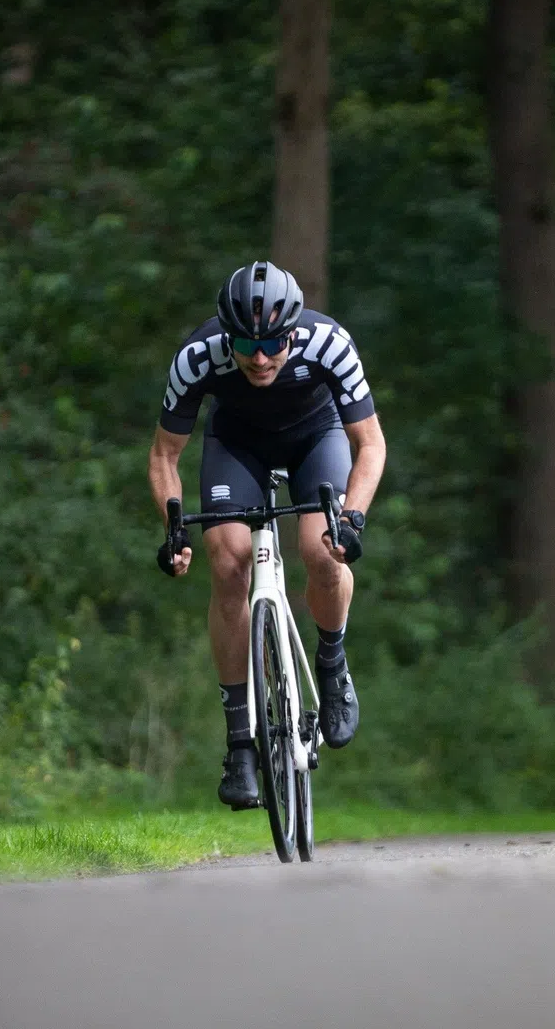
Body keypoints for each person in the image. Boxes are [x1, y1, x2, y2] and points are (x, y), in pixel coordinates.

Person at [148, 261, 387, 810]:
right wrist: (174, 525)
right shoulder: (197, 357)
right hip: (238, 446)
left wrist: (352, 518)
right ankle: (240, 746)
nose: (259, 358)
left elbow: (370, 444)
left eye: (273, 344)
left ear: (295, 331)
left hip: (316, 437)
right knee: (227, 562)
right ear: (226, 334)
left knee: (321, 550)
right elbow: (164, 455)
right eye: (246, 344)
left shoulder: (330, 345)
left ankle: (331, 663)